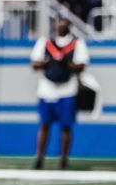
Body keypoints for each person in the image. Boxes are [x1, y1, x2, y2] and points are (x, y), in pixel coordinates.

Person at [31, 18, 90, 169]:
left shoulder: (77, 43)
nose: (60, 26)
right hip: (47, 89)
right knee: (44, 124)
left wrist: (65, 63)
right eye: (58, 23)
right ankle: (39, 157)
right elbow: (35, 63)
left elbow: (81, 65)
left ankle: (64, 158)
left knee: (66, 126)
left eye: (64, 23)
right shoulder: (46, 42)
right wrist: (49, 62)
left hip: (67, 89)